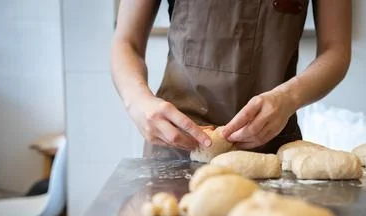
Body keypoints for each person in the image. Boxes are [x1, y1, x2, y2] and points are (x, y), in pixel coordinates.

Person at [111, 0, 351, 158]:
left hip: (271, 149)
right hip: (176, 144)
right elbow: (126, 41)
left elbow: (336, 50)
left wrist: (288, 97)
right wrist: (138, 100)